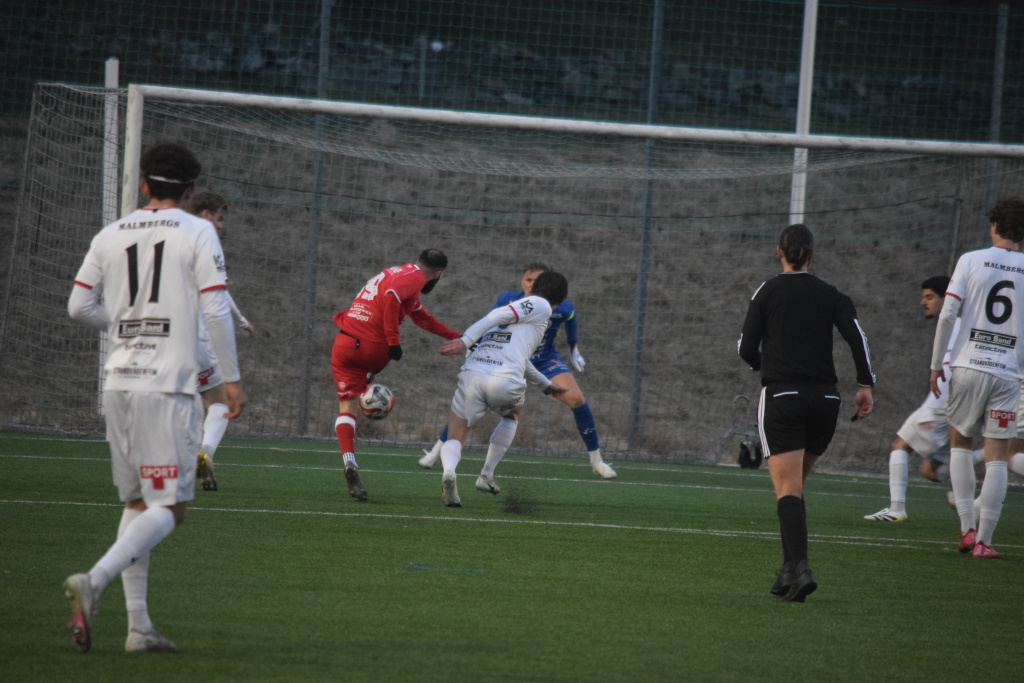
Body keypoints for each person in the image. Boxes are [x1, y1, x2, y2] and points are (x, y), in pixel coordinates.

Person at [64, 143, 245, 652]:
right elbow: (216, 309)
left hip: (119, 381)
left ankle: (139, 627)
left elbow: (78, 306)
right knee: (172, 507)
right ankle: (93, 581)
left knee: (138, 502)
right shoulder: (199, 231)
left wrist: (127, 324)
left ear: (143, 184)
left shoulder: (110, 233)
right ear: (190, 192)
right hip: (166, 386)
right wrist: (231, 379)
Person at [738, 224, 874, 602]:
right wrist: (865, 384)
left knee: (787, 490)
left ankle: (800, 569)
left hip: (784, 396)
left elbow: (746, 348)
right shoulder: (831, 294)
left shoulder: (767, 291)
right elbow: (857, 338)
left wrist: (766, 363)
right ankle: (787, 570)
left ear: (778, 252)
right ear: (811, 254)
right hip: (826, 401)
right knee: (794, 488)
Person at [419, 262, 616, 479]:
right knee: (474, 403)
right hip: (509, 357)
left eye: (536, 280)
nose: (531, 284)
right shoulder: (509, 300)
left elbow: (571, 320)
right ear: (523, 281)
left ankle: (597, 460)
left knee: (576, 399)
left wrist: (574, 350)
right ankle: (438, 453)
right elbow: (491, 322)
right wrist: (470, 343)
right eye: (528, 280)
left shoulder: (561, 307)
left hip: (543, 359)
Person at [930, 197, 1024, 559]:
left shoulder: (971, 260)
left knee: (960, 445)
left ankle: (967, 530)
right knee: (997, 456)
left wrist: (936, 364)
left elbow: (947, 315)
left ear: (995, 226)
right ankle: (984, 541)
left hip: (968, 366)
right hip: (1007, 374)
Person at [331, 250, 461, 501]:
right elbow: (391, 297)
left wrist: (457, 337)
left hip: (344, 343)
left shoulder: (396, 273)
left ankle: (349, 461)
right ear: (438, 274)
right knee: (369, 371)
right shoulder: (416, 277)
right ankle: (369, 380)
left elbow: (422, 317)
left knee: (347, 407)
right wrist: (393, 341)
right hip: (373, 347)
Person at [435, 271, 570, 506]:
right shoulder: (540, 305)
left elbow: (521, 358)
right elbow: (497, 315)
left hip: (473, 375)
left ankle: (449, 471)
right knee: (511, 416)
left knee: (456, 434)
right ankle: (486, 475)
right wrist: (464, 341)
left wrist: (546, 384)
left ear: (534, 286)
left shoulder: (517, 319)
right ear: (560, 299)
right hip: (504, 380)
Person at [865, 276, 976, 522]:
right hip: (953, 404)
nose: (923, 302)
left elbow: (955, 370)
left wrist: (945, 405)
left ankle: (896, 509)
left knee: (899, 446)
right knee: (932, 470)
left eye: (929, 297)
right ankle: (972, 490)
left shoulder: (955, 325)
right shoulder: (960, 325)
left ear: (947, 299)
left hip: (941, 405)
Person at [185, 192, 255, 492]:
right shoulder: (205, 242)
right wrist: (241, 321)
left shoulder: (167, 237)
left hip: (159, 341)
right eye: (219, 217)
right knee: (220, 401)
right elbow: (219, 297)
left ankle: (185, 461)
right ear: (205, 214)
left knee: (185, 404)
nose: (221, 225)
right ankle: (205, 452)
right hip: (198, 339)